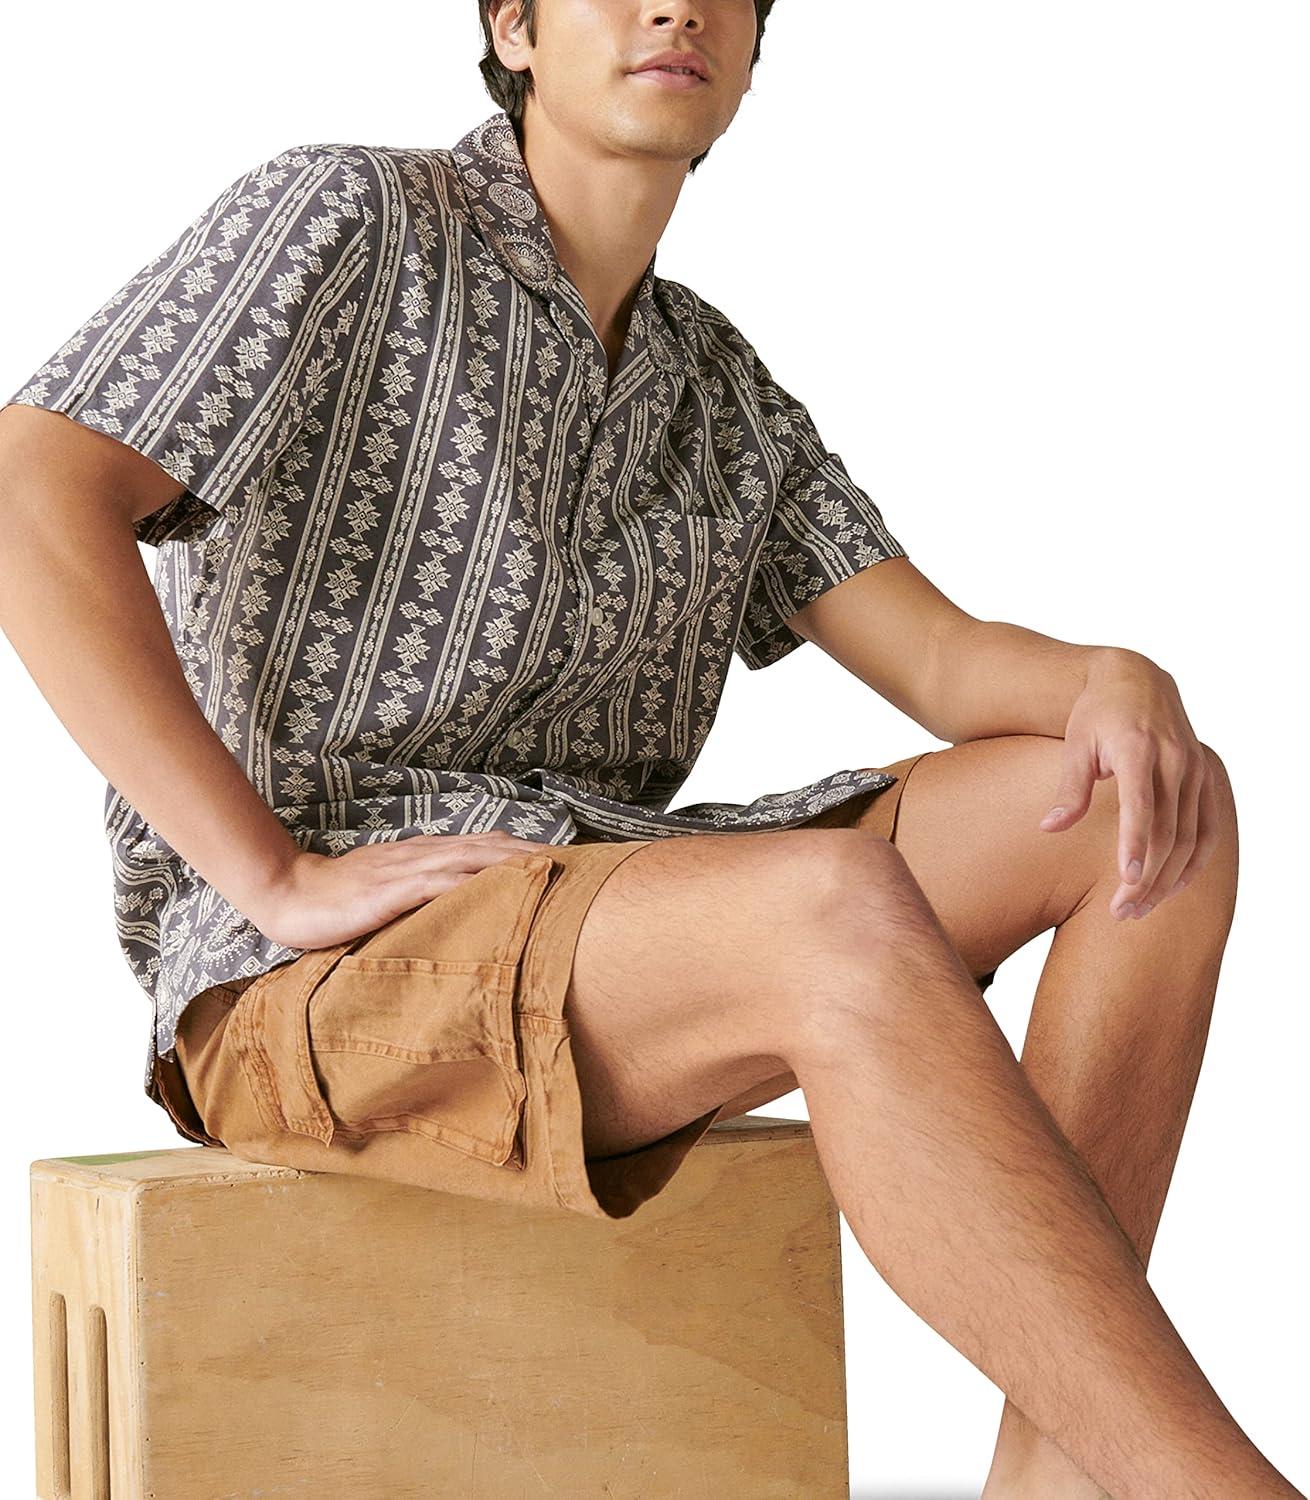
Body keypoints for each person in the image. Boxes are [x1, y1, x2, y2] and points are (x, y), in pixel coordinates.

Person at [0, 2, 1299, 1496]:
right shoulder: (351, 215)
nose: (674, 5)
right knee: (826, 907)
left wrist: (1118, 677)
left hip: (598, 920)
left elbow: (944, 662)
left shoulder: (711, 383)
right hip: (312, 978)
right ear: (515, 27)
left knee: (1147, 806)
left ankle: (1060, 1481)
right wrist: (273, 874)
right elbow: (31, 487)